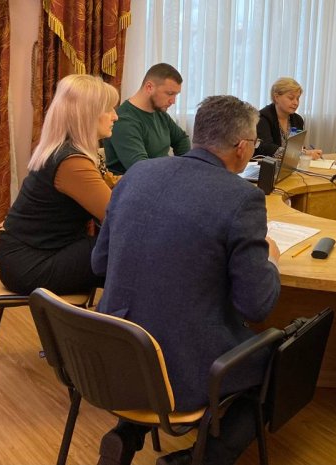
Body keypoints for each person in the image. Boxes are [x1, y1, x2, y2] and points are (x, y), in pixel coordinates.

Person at [92, 95, 281, 465]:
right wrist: (271, 260)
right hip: (180, 370)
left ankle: (126, 434)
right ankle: (204, 458)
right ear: (242, 148)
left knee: (157, 320)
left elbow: (99, 262)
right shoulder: (242, 198)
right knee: (280, 360)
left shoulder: (137, 175)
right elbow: (256, 306)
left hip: (112, 351)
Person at [0, 74, 118, 295]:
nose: (115, 116)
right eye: (109, 109)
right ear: (88, 114)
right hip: (32, 264)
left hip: (23, 255)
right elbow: (117, 215)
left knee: (118, 248)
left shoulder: (61, 150)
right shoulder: (72, 162)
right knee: (126, 248)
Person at [103, 63, 191, 174]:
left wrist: (184, 167)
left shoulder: (159, 112)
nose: (173, 101)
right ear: (149, 87)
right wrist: (177, 170)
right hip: (135, 182)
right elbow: (142, 169)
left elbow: (181, 139)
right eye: (170, 93)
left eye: (176, 95)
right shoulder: (124, 121)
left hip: (160, 178)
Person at [255, 77, 323, 159]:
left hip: (289, 165)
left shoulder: (298, 120)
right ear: (276, 97)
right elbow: (267, 148)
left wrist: (303, 152)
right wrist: (303, 154)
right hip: (263, 164)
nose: (296, 103)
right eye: (291, 98)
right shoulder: (262, 117)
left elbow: (296, 148)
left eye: (297, 98)